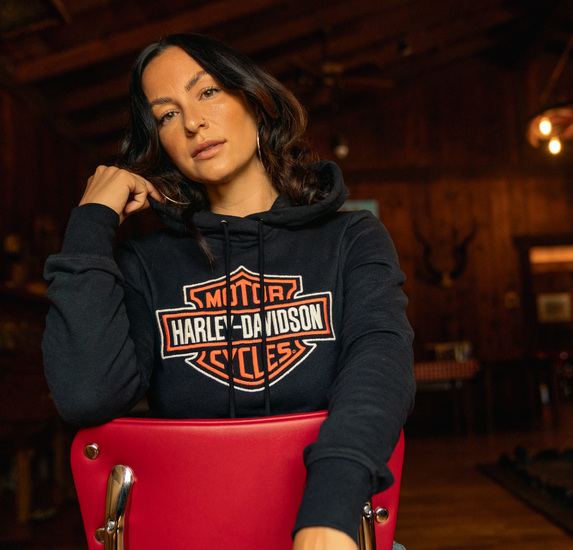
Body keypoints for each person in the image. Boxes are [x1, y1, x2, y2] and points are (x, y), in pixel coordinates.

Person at [42, 33, 415, 550]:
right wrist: (90, 224)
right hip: (188, 533)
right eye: (167, 115)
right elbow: (87, 396)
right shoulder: (145, 264)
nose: (192, 122)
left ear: (255, 100)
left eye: (208, 92)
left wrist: (329, 512)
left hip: (329, 523)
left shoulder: (351, 238)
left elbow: (380, 367)